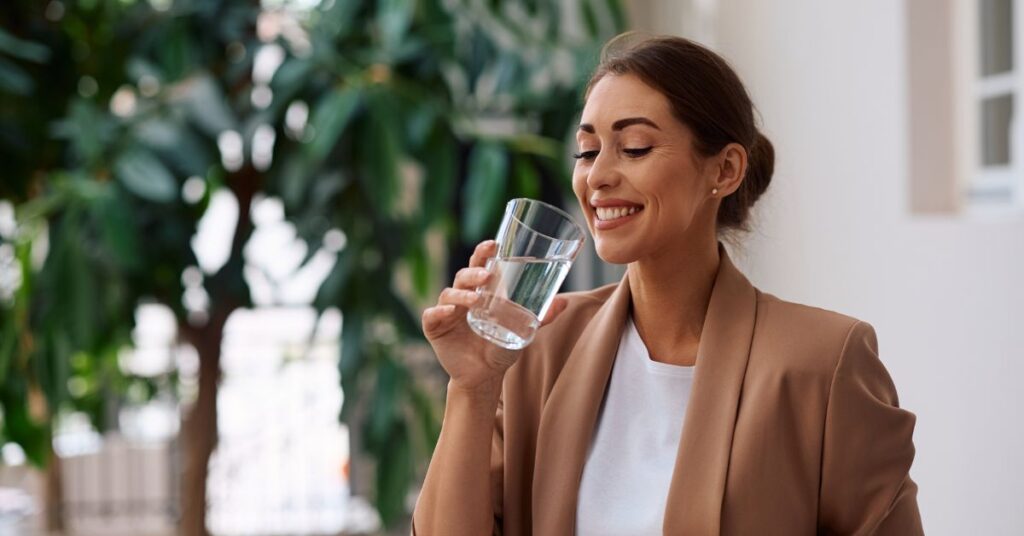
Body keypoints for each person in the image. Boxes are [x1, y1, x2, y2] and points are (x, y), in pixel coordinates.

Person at [412, 34, 923, 535]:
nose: (597, 177)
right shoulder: (540, 347)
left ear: (724, 170)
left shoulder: (823, 363)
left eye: (634, 147)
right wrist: (472, 387)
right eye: (587, 152)